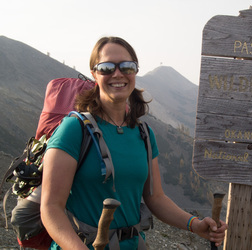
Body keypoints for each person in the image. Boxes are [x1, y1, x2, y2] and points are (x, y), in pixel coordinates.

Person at [40, 36, 228, 250]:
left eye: (127, 67)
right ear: (94, 74)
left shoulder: (144, 134)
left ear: (135, 72)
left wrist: (195, 225)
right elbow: (51, 208)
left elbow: (155, 197)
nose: (117, 74)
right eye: (107, 67)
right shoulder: (73, 130)